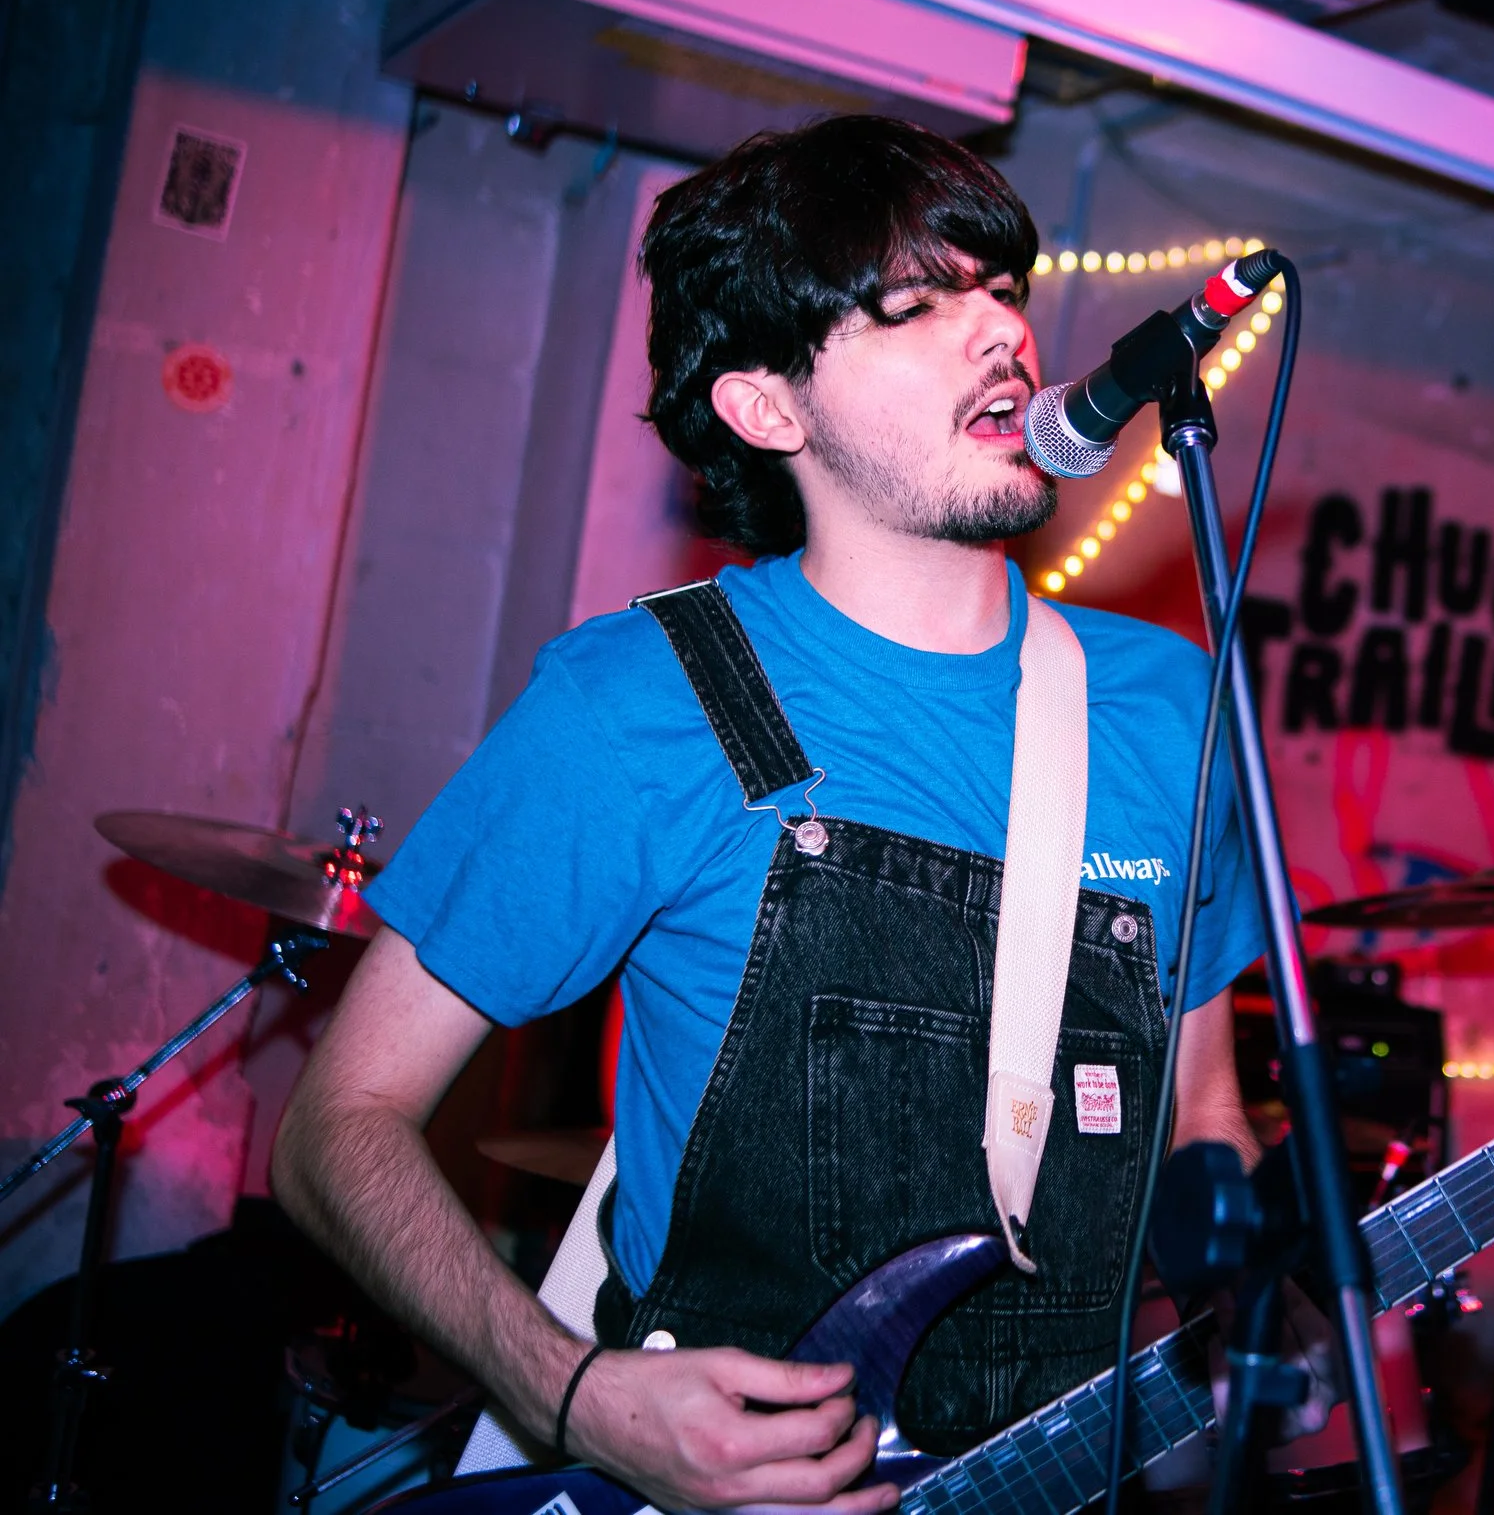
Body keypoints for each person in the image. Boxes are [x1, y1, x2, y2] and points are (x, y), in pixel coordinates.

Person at [273, 116, 1274, 1513]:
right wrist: (570, 1389)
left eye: (1001, 289)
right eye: (916, 306)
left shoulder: (1168, 705)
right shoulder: (638, 701)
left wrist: (1264, 1288)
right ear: (767, 407)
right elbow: (340, 1123)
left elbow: (1203, 1099)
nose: (1000, 334)